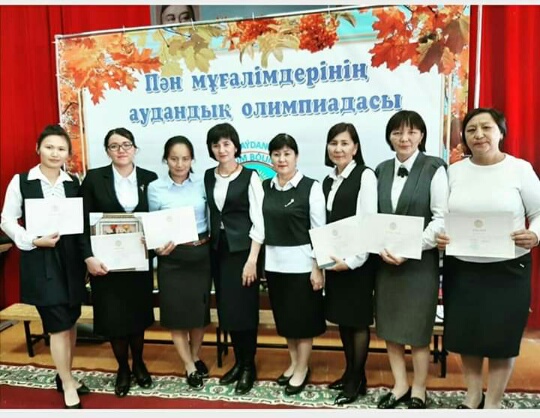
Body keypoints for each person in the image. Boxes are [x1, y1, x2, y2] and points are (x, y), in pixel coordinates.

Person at [436, 108, 540, 409]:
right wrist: (441, 236)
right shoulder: (454, 172)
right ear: (464, 137)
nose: (478, 135)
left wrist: (535, 235)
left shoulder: (520, 169)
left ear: (500, 132)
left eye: (486, 128)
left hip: (509, 269)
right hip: (463, 269)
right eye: (471, 130)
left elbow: (538, 213)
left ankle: (493, 402)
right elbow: (443, 216)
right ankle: (472, 395)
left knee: (501, 339)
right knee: (466, 334)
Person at [0, 125, 91, 408]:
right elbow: (7, 220)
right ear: (38, 148)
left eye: (61, 149)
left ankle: (65, 375)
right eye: (49, 147)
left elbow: (81, 222)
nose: (55, 153)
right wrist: (32, 240)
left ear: (68, 153)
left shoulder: (73, 182)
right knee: (58, 325)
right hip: (41, 258)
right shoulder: (22, 181)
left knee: (71, 320)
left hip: (71, 261)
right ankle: (68, 383)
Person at [375, 110, 448, 409]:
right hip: (385, 263)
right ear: (389, 137)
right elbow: (373, 218)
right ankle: (400, 385)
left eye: (411, 132)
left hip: (419, 264)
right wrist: (379, 246)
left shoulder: (434, 168)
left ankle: (419, 388)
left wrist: (408, 250)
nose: (404, 138)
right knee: (390, 328)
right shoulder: (380, 170)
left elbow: (440, 220)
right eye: (397, 132)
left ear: (421, 135)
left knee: (418, 331)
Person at [80, 127, 157, 398]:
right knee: (114, 318)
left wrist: (156, 244)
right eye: (114, 146)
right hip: (106, 266)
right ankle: (123, 368)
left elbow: (157, 220)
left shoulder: (150, 179)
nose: (121, 150)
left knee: (137, 316)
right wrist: (88, 257)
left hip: (138, 263)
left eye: (126, 144)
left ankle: (139, 363)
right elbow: (81, 223)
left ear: (135, 148)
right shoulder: (93, 179)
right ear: (107, 151)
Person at [262, 133, 326, 396]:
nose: (282, 159)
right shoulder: (265, 187)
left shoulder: (311, 187)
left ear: (296, 156)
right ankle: (293, 362)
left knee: (303, 321)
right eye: (277, 154)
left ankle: (302, 367)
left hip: (302, 266)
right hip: (274, 265)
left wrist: (317, 267)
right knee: (286, 320)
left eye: (287, 153)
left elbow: (319, 230)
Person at [203, 122, 264, 395]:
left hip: (244, 253)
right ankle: (239, 363)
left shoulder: (250, 176)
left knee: (245, 311)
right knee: (228, 309)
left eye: (226, 144)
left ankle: (249, 366)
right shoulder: (209, 176)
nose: (222, 149)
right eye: (216, 145)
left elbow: (260, 221)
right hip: (218, 250)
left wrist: (252, 260)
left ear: (236, 146)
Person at [147, 136, 212, 390]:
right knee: (176, 314)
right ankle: (188, 365)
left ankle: (194, 356)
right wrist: (157, 246)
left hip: (200, 254)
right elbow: (153, 225)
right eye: (174, 158)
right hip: (172, 258)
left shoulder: (203, 183)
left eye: (185, 158)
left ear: (192, 159)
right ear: (166, 159)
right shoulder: (155, 188)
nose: (180, 164)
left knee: (198, 314)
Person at [321, 123, 378, 405]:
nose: (338, 148)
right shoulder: (328, 180)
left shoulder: (365, 175)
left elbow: (368, 221)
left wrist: (353, 261)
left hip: (357, 263)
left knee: (357, 322)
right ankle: (351, 374)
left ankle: (356, 380)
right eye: (334, 143)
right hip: (335, 262)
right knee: (343, 319)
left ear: (355, 148)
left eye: (345, 143)